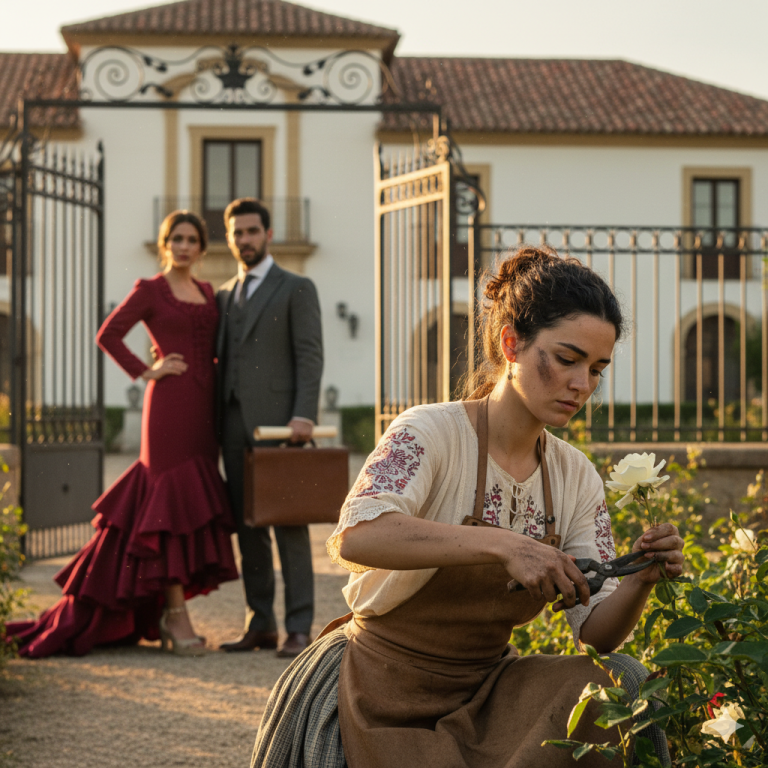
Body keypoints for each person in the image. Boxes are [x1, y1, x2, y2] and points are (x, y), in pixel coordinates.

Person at [252, 246, 682, 767]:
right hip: (383, 690)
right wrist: (504, 545)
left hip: (489, 689)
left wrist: (639, 579)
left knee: (618, 683)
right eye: (567, 359)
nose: (581, 384)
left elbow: (597, 631)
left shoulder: (574, 476)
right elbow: (356, 535)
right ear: (511, 343)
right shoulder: (429, 431)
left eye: (597, 369)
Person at [6, 211, 238, 658]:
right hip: (168, 407)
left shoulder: (208, 291)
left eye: (192, 239)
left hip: (203, 413)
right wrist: (147, 370)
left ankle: (169, 612)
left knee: (190, 507)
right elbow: (108, 334)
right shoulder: (150, 289)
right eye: (177, 239)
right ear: (164, 243)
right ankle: (174, 616)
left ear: (202, 248)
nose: (184, 246)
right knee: (167, 508)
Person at [216, 198, 323, 659]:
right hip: (233, 426)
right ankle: (260, 623)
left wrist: (304, 414)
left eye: (252, 231)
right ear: (230, 238)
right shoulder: (223, 295)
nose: (245, 240)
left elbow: (310, 355)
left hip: (284, 427)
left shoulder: (296, 287)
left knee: (289, 524)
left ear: (268, 234)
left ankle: (299, 625)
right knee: (247, 526)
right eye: (237, 233)